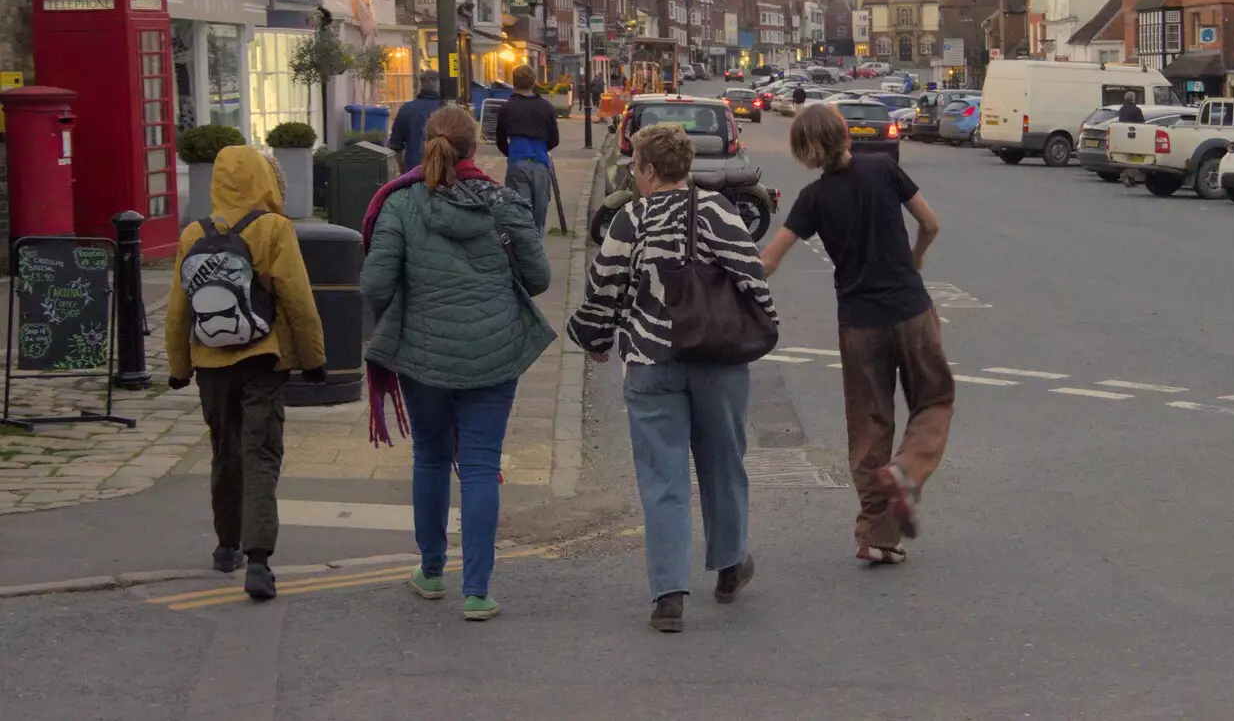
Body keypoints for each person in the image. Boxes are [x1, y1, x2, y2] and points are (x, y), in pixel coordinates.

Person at [567, 124, 775, 633]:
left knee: (662, 477)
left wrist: (595, 340)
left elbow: (604, 289)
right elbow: (752, 277)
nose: (635, 176)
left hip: (651, 359)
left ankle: (668, 595)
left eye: (636, 167)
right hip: (719, 361)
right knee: (724, 463)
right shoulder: (720, 211)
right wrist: (761, 326)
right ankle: (729, 567)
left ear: (650, 169)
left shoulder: (629, 219)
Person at [360, 105, 555, 621]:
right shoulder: (503, 202)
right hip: (493, 353)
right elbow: (538, 279)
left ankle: (429, 570)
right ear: (475, 148)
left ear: (426, 145)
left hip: (422, 355)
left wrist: (406, 307)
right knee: (479, 465)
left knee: (428, 457)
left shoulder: (400, 204)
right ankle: (476, 591)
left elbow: (375, 283)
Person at [761, 104, 953, 566]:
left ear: (803, 149)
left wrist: (729, 288)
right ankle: (906, 471)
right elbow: (931, 223)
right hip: (910, 309)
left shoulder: (812, 198)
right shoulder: (884, 168)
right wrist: (917, 257)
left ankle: (875, 535)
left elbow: (770, 258)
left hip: (858, 322)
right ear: (844, 133)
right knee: (933, 399)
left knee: (869, 424)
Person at [164, 146, 326, 601]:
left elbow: (178, 310)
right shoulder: (274, 228)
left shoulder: (193, 232)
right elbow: (297, 298)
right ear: (265, 180)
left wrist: (179, 366)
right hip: (262, 359)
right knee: (260, 454)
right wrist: (314, 360)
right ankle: (258, 561)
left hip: (210, 362)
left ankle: (225, 546)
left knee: (224, 452)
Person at [496, 64, 560, 234]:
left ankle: (521, 250)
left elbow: (500, 140)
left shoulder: (507, 108)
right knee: (539, 214)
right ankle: (536, 246)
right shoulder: (546, 107)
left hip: (517, 163)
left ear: (513, 82)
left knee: (520, 212)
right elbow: (555, 139)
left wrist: (512, 153)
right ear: (533, 83)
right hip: (540, 163)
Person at [389, 70, 446, 172]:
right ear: (438, 84)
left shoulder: (406, 109)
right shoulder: (448, 109)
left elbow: (395, 145)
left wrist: (403, 170)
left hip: (414, 173)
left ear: (421, 84)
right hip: (443, 173)